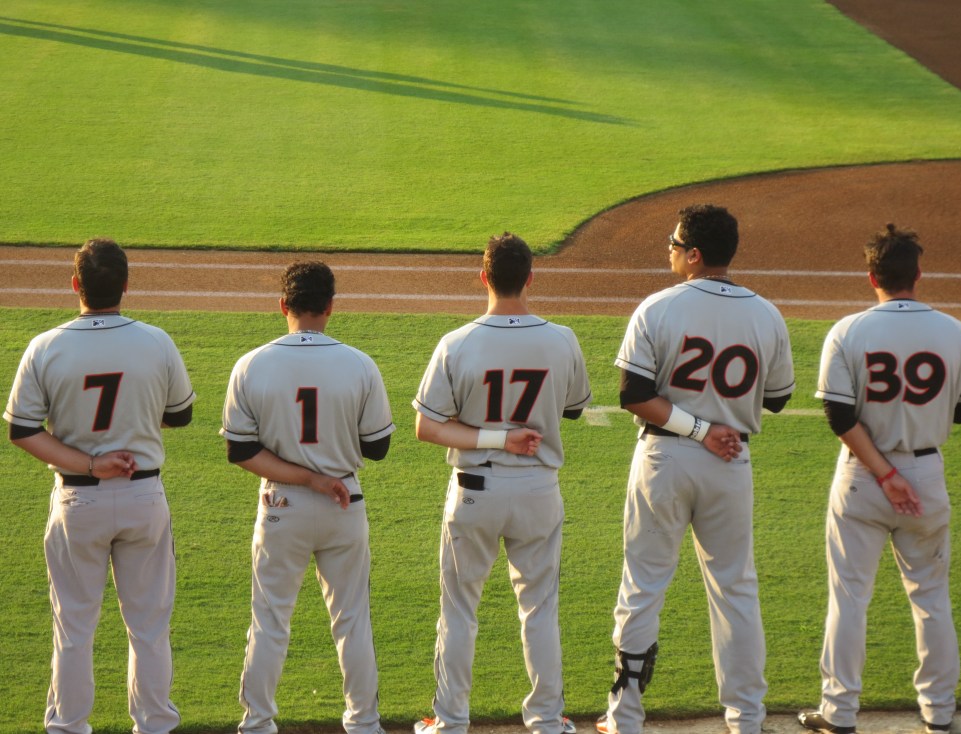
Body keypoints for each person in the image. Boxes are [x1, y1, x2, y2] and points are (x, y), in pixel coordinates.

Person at [597, 204, 795, 734]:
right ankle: (746, 718)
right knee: (736, 588)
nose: (669, 249)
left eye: (675, 243)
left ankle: (624, 717)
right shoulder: (766, 314)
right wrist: (717, 420)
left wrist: (698, 426)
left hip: (664, 459)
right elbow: (777, 398)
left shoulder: (658, 307)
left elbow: (634, 394)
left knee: (643, 585)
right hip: (730, 462)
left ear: (695, 255)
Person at [3, 238, 195, 734]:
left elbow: (22, 430)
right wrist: (133, 422)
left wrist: (92, 462)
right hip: (142, 496)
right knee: (149, 629)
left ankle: (68, 727)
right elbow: (180, 415)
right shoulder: (156, 341)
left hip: (77, 500)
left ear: (75, 285)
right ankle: (154, 726)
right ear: (126, 285)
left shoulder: (46, 346)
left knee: (73, 628)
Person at [798, 225, 961, 734]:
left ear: (872, 277)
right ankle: (939, 712)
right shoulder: (955, 332)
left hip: (862, 475)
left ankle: (839, 712)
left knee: (849, 597)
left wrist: (885, 473)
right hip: (926, 476)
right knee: (931, 597)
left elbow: (839, 415)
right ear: (918, 274)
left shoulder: (848, 331)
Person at [412, 232, 592, 734]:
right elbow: (573, 409)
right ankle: (547, 721)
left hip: (474, 491)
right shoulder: (562, 339)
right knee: (539, 609)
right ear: (530, 278)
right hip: (538, 490)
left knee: (459, 610)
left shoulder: (457, 343)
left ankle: (450, 722)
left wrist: (492, 436)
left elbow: (427, 427)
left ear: (483, 277)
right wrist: (514, 432)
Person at [221, 260, 394, 734]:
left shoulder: (251, 364)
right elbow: (378, 447)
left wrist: (303, 474)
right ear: (330, 306)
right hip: (344, 502)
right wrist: (328, 455)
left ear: (284, 305)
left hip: (281, 506)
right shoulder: (359, 364)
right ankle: (364, 723)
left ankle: (258, 723)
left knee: (270, 619)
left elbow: (240, 451)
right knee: (352, 620)